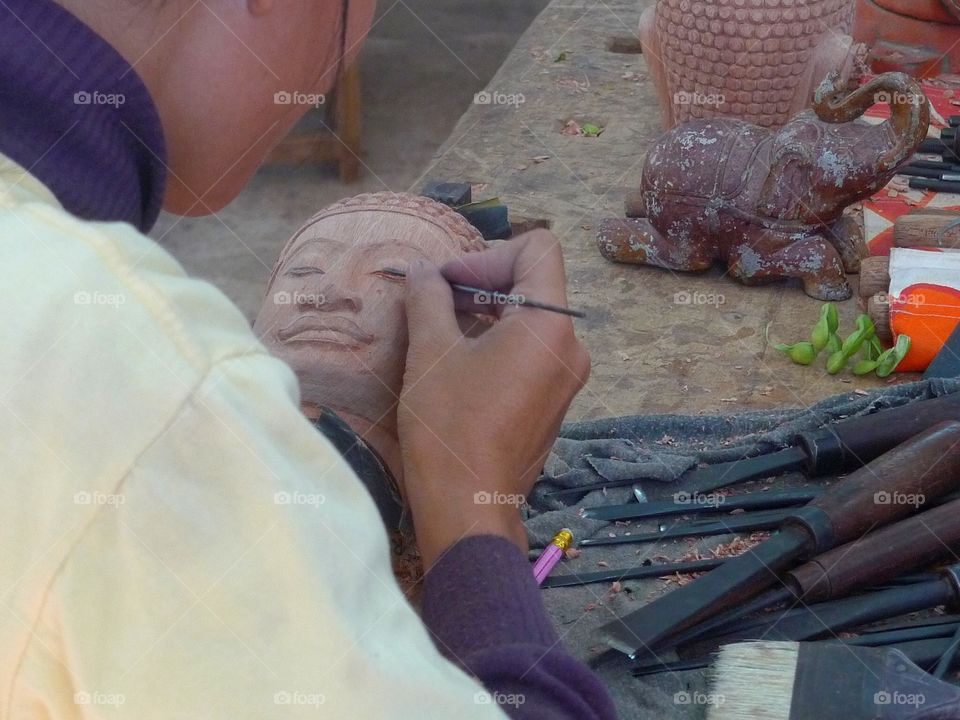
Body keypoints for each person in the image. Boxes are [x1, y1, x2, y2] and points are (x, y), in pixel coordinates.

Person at [0, 1, 615, 719]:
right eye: (371, 10)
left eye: (390, 277)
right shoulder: (153, 405)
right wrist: (474, 508)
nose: (342, 59)